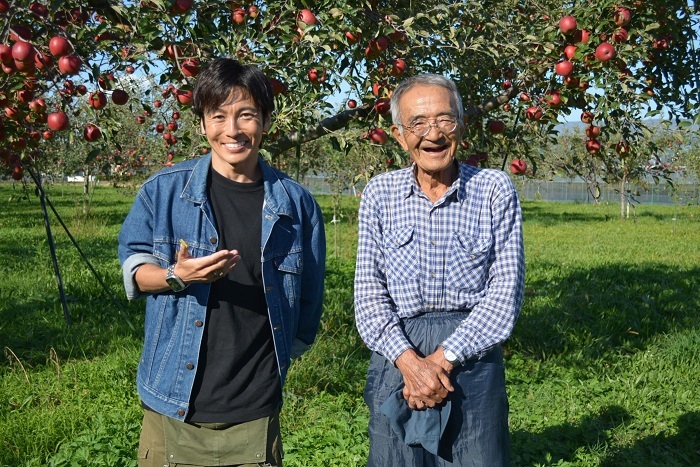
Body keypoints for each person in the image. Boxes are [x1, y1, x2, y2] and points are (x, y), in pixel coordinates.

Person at [118, 58, 326, 467]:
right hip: (172, 405)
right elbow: (135, 269)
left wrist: (276, 360)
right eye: (218, 116)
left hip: (254, 408)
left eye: (246, 115)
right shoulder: (164, 192)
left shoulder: (296, 204)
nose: (232, 130)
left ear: (265, 120)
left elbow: (308, 302)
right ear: (202, 124)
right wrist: (177, 276)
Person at [354, 73, 525, 466]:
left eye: (445, 120)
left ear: (461, 128)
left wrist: (441, 360)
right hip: (397, 350)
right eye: (418, 123)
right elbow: (368, 293)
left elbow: (505, 293)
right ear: (399, 135)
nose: (433, 133)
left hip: (471, 353)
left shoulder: (493, 189)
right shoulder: (380, 193)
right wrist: (411, 364)